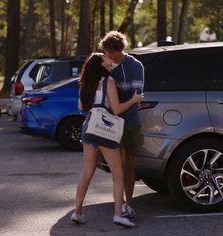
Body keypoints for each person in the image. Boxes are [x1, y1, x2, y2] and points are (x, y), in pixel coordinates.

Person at [71, 53, 142, 227]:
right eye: (107, 59)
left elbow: (81, 106)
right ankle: (119, 215)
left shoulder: (86, 82)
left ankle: (77, 212)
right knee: (118, 175)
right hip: (104, 129)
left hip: (89, 126)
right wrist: (133, 99)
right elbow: (117, 110)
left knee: (87, 173)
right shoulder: (108, 82)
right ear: (101, 64)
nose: (111, 61)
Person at [99, 31, 144, 220]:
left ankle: (129, 203)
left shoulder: (135, 66)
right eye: (106, 52)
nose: (109, 56)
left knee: (129, 163)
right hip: (110, 122)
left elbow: (136, 95)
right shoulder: (105, 65)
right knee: (119, 165)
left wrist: (116, 101)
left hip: (130, 121)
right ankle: (120, 203)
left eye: (112, 52)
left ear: (120, 50)